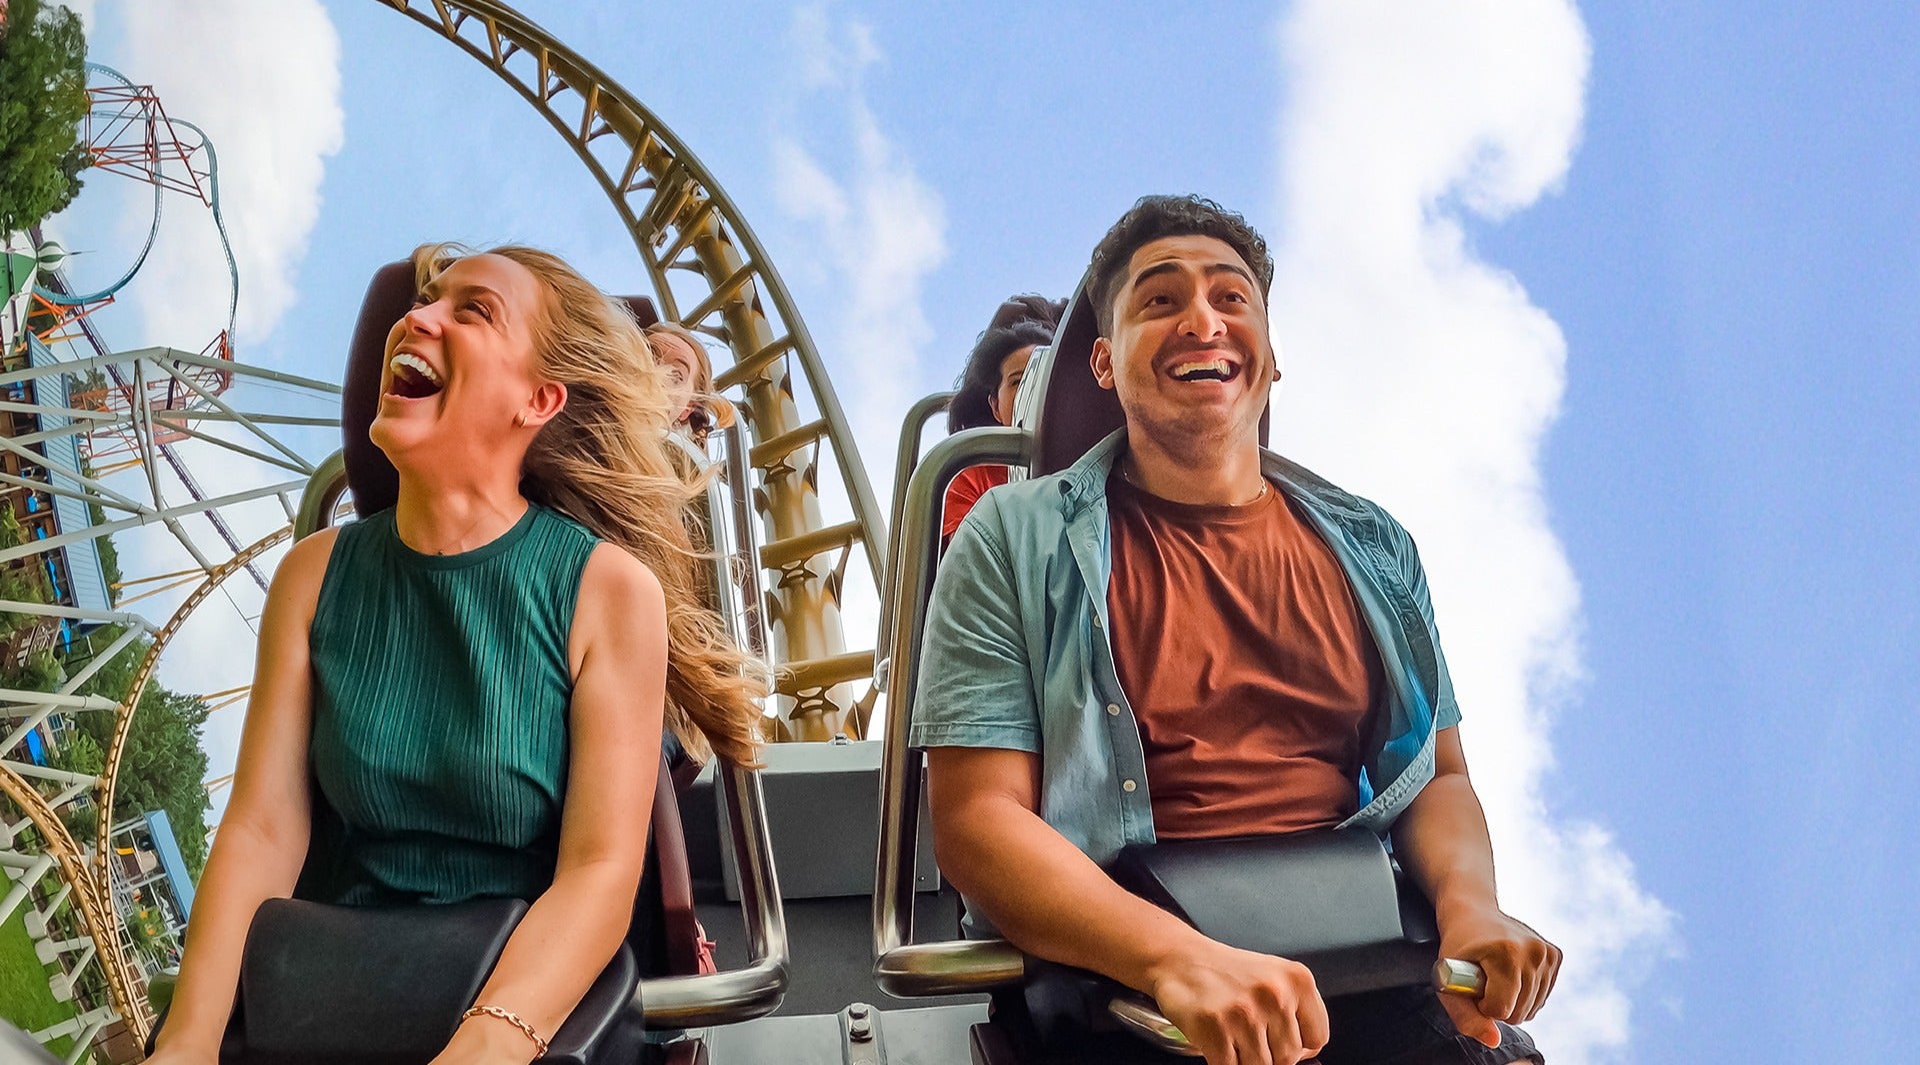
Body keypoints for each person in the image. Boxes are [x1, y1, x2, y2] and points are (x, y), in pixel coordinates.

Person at [915, 196, 1559, 1065]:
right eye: (1158, 301)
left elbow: (1436, 776)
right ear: (1104, 363)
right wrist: (1177, 960)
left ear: (1270, 357)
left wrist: (1470, 906)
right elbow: (978, 819)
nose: (1200, 321)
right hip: (1134, 994)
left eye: (1230, 298)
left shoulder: (1373, 545)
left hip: (1366, 963)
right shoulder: (1011, 535)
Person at [146, 243, 764, 1065]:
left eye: (472, 310)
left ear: (539, 399)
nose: (419, 317)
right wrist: (185, 1046)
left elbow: (599, 875)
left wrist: (484, 1047)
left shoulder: (608, 593)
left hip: (513, 1005)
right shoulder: (314, 574)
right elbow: (262, 829)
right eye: (426, 300)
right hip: (319, 991)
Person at [941, 294, 1066, 542]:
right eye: (1018, 381)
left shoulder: (1094, 457)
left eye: (1041, 375)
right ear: (994, 405)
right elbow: (964, 560)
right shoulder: (972, 472)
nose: (1032, 389)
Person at [646, 321, 737, 446]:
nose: (653, 372)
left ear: (687, 409)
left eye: (675, 376)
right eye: (648, 358)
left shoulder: (678, 463)